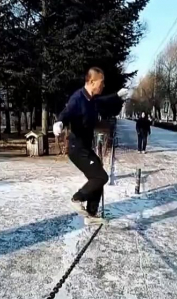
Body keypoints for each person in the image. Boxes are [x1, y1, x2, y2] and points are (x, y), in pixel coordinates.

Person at [53, 67, 128, 226]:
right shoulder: (78, 98)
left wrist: (118, 96)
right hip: (77, 149)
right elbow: (67, 112)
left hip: (85, 147)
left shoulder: (93, 99)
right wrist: (59, 122)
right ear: (92, 81)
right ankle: (77, 198)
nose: (103, 85)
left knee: (98, 176)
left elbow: (104, 100)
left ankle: (91, 214)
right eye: (101, 82)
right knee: (101, 177)